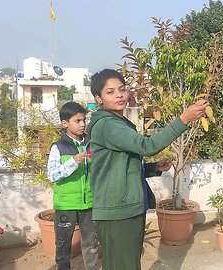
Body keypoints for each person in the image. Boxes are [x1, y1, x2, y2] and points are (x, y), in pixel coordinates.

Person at [86, 69, 207, 270]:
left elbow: (120, 163)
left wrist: (152, 168)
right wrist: (183, 120)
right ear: (98, 98)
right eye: (110, 92)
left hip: (126, 207)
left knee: (128, 264)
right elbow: (146, 146)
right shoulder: (108, 125)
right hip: (117, 210)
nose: (118, 95)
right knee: (122, 266)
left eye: (122, 89)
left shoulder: (119, 123)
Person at [47, 101, 99, 270]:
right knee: (63, 245)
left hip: (88, 204)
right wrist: (73, 162)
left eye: (84, 120)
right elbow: (52, 175)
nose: (83, 124)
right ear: (65, 123)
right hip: (66, 206)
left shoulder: (90, 144)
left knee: (91, 243)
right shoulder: (58, 147)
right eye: (77, 121)